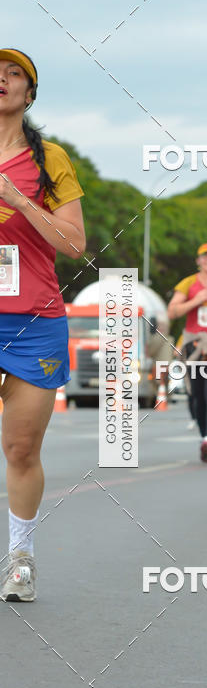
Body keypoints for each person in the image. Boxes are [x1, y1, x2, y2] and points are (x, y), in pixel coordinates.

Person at [0, 49, 85, 602]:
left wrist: (18, 201)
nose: (0, 81)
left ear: (29, 94)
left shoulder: (48, 158)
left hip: (33, 321)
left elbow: (74, 244)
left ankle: (20, 556)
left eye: (12, 75)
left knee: (21, 449)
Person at [167, 244, 207, 462]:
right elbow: (172, 312)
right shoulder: (189, 283)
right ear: (198, 260)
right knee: (197, 395)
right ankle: (204, 437)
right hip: (194, 344)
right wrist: (198, 299)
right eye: (205, 256)